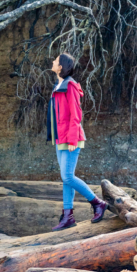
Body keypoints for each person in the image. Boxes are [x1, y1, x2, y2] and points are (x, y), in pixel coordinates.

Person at [47, 53, 108, 231]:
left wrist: (73, 138)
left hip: (70, 138)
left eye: (55, 61)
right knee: (66, 179)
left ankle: (98, 203)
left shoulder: (70, 85)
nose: (52, 62)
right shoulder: (58, 85)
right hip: (60, 138)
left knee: (67, 176)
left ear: (61, 66)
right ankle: (68, 216)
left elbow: (76, 113)